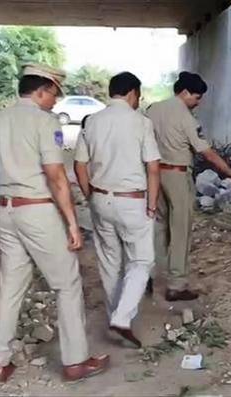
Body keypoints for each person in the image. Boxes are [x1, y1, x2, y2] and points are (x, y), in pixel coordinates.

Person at [0, 63, 109, 383]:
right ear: (39, 91)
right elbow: (56, 177)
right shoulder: (44, 121)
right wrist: (73, 224)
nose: (55, 100)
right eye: (53, 93)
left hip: (7, 212)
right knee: (67, 283)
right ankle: (75, 361)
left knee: (10, 287)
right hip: (37, 211)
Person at [146, 71, 231, 301]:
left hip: (154, 175)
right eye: (196, 98)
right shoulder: (186, 118)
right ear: (185, 93)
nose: (197, 103)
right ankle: (176, 285)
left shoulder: (152, 110)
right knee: (181, 230)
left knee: (157, 228)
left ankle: (147, 275)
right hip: (177, 176)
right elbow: (207, 153)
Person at [73, 72, 160, 348]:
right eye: (139, 95)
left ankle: (116, 317)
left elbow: (79, 165)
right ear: (133, 93)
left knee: (110, 262)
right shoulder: (141, 123)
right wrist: (153, 203)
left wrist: (90, 196)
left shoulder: (92, 122)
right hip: (132, 201)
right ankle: (122, 318)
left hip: (101, 199)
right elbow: (153, 167)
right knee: (142, 260)